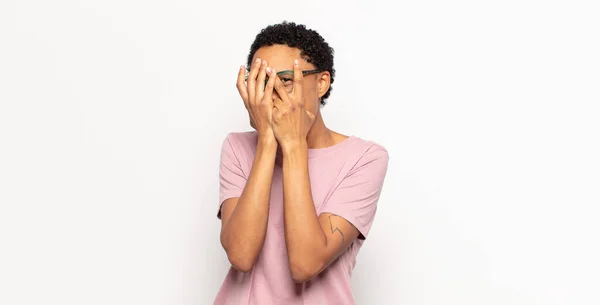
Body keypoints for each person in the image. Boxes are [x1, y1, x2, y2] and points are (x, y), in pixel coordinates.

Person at [214, 21, 389, 305]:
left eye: (284, 80)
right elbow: (241, 255)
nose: (270, 95)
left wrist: (294, 145)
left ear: (321, 83)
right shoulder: (237, 147)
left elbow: (305, 263)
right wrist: (267, 140)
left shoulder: (365, 158)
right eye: (260, 82)